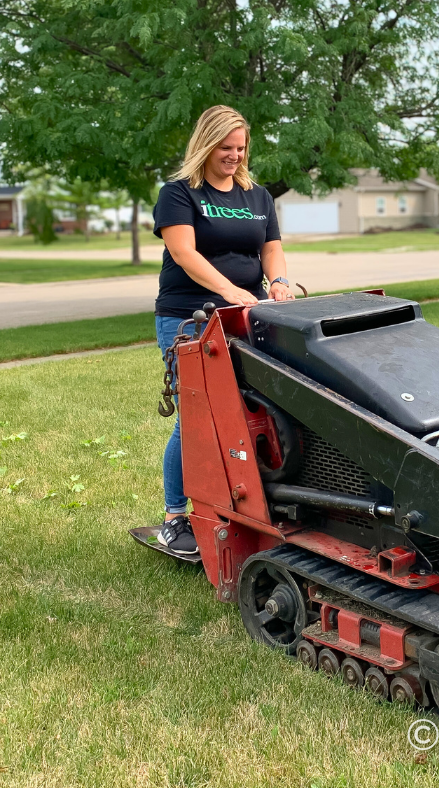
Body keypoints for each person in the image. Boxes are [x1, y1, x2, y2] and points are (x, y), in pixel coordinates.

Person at [152, 105, 293, 556]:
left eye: (241, 148)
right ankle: (175, 518)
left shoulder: (258, 196)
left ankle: (248, 502)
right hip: (189, 317)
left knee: (256, 410)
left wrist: (279, 281)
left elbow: (271, 249)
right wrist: (230, 290)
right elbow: (185, 253)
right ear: (206, 145)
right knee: (196, 419)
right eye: (225, 148)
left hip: (246, 315)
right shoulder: (179, 194)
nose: (234, 156)